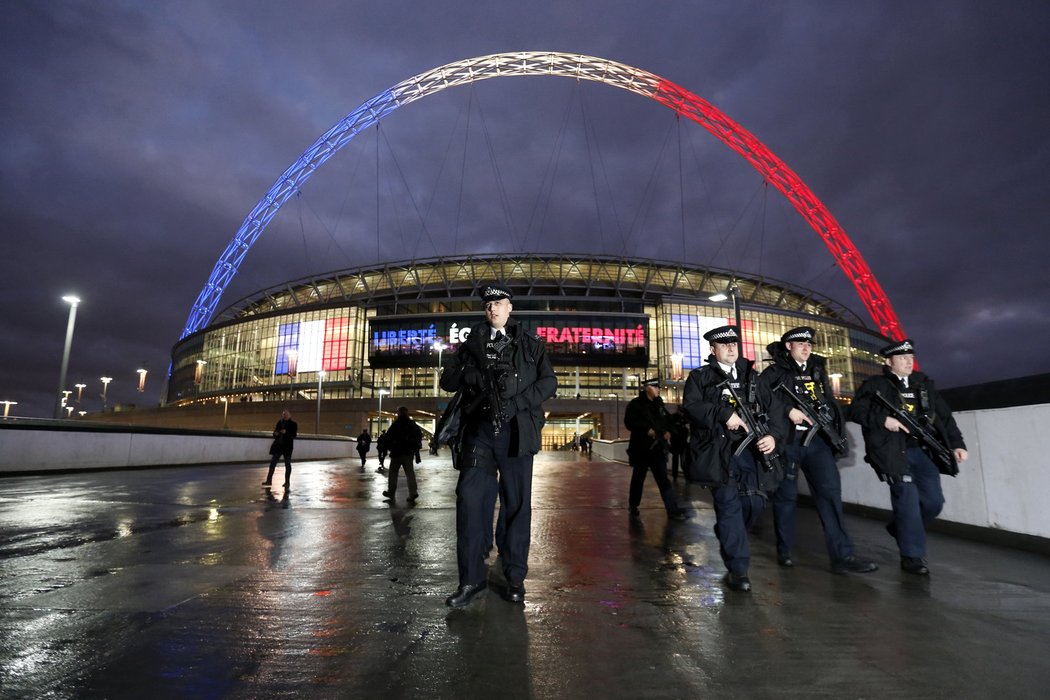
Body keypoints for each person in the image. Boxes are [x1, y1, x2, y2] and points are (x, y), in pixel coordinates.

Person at [440, 283, 557, 607]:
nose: (493, 309)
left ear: (510, 308)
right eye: (488, 304)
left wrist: (519, 402)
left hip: (517, 432)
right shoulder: (470, 344)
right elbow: (447, 381)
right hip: (479, 432)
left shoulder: (530, 344)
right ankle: (471, 580)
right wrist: (468, 373)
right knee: (469, 500)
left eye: (499, 303)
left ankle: (514, 577)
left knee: (516, 505)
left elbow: (549, 382)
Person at [759, 326, 878, 575]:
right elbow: (759, 400)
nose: (806, 347)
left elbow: (827, 401)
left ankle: (842, 556)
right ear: (788, 347)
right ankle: (785, 550)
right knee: (786, 497)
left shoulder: (817, 370)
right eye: (800, 343)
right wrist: (787, 411)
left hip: (817, 442)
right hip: (788, 442)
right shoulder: (773, 372)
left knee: (830, 496)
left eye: (809, 344)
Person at [682, 325, 788, 592]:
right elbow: (692, 406)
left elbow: (775, 411)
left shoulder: (753, 377)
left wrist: (773, 436)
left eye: (734, 344)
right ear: (713, 349)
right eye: (724, 344)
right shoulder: (701, 377)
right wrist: (722, 414)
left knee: (754, 502)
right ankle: (738, 569)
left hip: (752, 452)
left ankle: (729, 532)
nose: (731, 348)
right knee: (729, 505)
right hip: (720, 453)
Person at [850, 338, 968, 575]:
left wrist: (957, 444)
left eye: (910, 358)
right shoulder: (875, 385)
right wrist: (884, 420)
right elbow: (856, 411)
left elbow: (944, 417)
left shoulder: (923, 385)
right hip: (893, 452)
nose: (908, 361)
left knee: (934, 502)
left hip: (924, 452)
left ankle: (900, 527)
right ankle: (912, 557)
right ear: (889, 362)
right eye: (902, 358)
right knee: (907, 502)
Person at [624, 377, 689, 520]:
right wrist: (646, 430)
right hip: (641, 449)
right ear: (647, 388)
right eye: (656, 387)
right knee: (638, 478)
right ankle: (633, 505)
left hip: (657, 449)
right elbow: (629, 423)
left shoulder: (659, 405)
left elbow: (669, 422)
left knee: (663, 480)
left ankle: (672, 510)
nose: (659, 389)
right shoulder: (636, 405)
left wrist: (668, 432)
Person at [382, 407, 423, 502]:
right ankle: (413, 492)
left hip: (396, 453)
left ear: (399, 413)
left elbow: (388, 437)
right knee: (410, 473)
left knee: (393, 473)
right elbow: (418, 437)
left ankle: (391, 492)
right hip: (408, 453)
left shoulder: (396, 424)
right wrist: (415, 451)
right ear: (407, 413)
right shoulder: (412, 424)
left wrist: (389, 448)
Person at [263, 409, 298, 488]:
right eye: (283, 414)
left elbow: (294, 435)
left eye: (286, 414)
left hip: (287, 447)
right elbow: (275, 432)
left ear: (289, 415)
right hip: (278, 446)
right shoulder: (280, 422)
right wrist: (275, 433)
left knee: (287, 464)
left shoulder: (293, 424)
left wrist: (286, 432)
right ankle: (269, 480)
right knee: (272, 463)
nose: (284, 416)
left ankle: (287, 482)